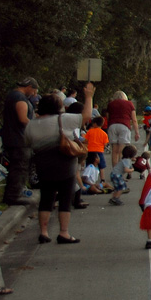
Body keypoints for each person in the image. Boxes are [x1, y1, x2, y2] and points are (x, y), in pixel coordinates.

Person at [26, 84, 94, 245]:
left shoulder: (31, 125)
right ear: (58, 107)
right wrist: (89, 97)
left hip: (43, 165)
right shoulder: (64, 119)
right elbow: (86, 116)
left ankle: (43, 232)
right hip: (65, 164)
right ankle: (63, 232)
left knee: (46, 198)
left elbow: (28, 144)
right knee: (65, 198)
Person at [2, 76, 38, 205]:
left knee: (17, 167)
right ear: (29, 87)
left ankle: (14, 193)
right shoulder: (20, 98)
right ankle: (13, 196)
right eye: (34, 91)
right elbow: (23, 119)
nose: (34, 94)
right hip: (19, 139)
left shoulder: (12, 95)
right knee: (20, 168)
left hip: (12, 137)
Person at [84, 119, 109, 186]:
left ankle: (88, 177)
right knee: (101, 166)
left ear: (95, 124)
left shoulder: (90, 131)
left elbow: (86, 140)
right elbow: (105, 144)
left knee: (89, 165)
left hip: (90, 150)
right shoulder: (104, 133)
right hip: (99, 150)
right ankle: (102, 179)